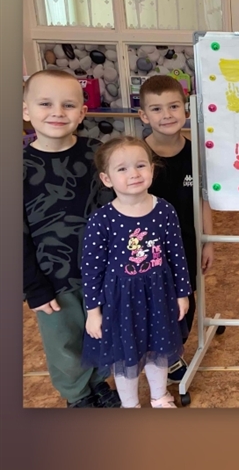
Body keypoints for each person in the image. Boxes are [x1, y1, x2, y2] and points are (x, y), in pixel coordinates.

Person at [22, 69, 120, 408]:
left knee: (101, 331)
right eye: (45, 104)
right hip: (53, 277)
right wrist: (33, 286)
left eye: (68, 105)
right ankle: (77, 396)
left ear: (82, 112)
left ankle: (98, 383)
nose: (57, 112)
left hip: (102, 271)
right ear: (26, 110)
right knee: (64, 341)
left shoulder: (98, 155)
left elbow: (117, 209)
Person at [81, 137, 192, 408]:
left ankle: (159, 395)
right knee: (124, 357)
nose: (134, 174)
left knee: (159, 348)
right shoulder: (102, 220)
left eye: (140, 165)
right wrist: (93, 312)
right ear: (107, 179)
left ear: (152, 170)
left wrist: (182, 294)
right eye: (122, 169)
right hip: (120, 302)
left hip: (159, 295)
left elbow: (177, 255)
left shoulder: (165, 210)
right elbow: (91, 269)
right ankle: (129, 404)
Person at [137, 74, 215, 383]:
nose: (166, 115)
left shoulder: (197, 155)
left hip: (187, 243)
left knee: (185, 300)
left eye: (173, 106)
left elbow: (203, 200)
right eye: (156, 109)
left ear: (186, 110)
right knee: (152, 301)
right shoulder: (137, 157)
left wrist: (209, 241)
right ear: (144, 115)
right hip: (147, 249)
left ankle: (171, 352)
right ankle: (153, 352)